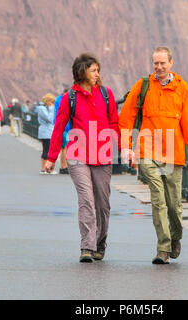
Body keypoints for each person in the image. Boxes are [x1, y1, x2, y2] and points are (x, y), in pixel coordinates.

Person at [118, 46, 188, 264]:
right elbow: (126, 117)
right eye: (156, 63)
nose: (159, 67)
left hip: (174, 153)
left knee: (174, 204)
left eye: (163, 63)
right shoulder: (143, 85)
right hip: (147, 150)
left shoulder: (182, 88)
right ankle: (163, 249)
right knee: (158, 199)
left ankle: (175, 238)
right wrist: (126, 146)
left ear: (171, 63)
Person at [45, 53, 120, 263]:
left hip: (103, 155)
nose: (97, 74)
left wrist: (124, 149)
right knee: (86, 199)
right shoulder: (71, 98)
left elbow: (114, 123)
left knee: (103, 204)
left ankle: (100, 241)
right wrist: (51, 158)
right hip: (78, 155)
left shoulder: (106, 94)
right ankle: (87, 246)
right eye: (93, 70)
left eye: (98, 70)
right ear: (82, 72)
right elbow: (59, 127)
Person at [37, 95, 56, 175]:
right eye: (52, 102)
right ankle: (44, 169)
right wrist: (52, 109)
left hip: (48, 132)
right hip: (46, 132)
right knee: (47, 150)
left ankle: (46, 169)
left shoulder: (45, 108)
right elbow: (50, 119)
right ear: (48, 101)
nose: (52, 104)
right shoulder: (42, 108)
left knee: (48, 150)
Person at [54, 88, 70, 174]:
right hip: (65, 127)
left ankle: (62, 166)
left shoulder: (58, 100)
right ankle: (65, 166)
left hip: (60, 127)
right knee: (65, 148)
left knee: (63, 148)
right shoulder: (64, 100)